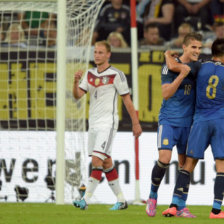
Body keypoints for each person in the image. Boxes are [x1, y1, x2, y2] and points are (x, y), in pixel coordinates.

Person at [72, 40, 142, 210]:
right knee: (105, 162)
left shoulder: (116, 74)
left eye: (101, 52)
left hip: (108, 123)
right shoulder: (89, 74)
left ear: (108, 54)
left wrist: (136, 123)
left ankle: (85, 200)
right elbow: (77, 96)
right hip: (93, 123)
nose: (97, 55)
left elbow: (127, 99)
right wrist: (75, 82)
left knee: (97, 159)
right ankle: (121, 200)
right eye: (95, 52)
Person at [162, 38, 224, 219]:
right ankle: (216, 210)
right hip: (220, 121)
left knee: (188, 164)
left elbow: (174, 67)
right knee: (221, 165)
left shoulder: (200, 66)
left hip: (199, 121)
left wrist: (167, 55)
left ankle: (174, 205)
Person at [145, 32, 202, 217]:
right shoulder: (168, 68)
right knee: (164, 158)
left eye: (200, 48)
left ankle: (179, 205)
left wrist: (171, 59)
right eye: (194, 47)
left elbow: (179, 65)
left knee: (186, 165)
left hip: (189, 123)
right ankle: (153, 195)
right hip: (169, 120)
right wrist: (180, 75)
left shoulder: (195, 67)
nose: (197, 51)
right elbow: (166, 93)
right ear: (184, 47)